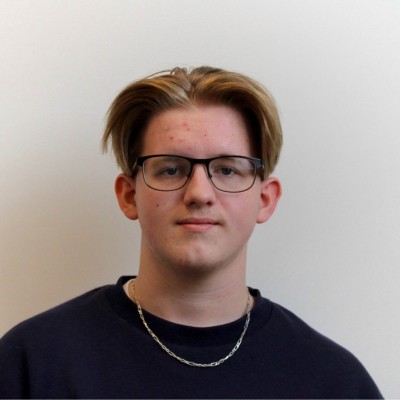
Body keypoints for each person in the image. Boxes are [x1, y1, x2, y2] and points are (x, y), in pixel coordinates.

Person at [0, 66, 382, 399]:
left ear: (265, 199)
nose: (199, 193)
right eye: (171, 169)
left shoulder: (335, 382)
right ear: (130, 196)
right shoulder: (31, 364)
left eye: (227, 169)